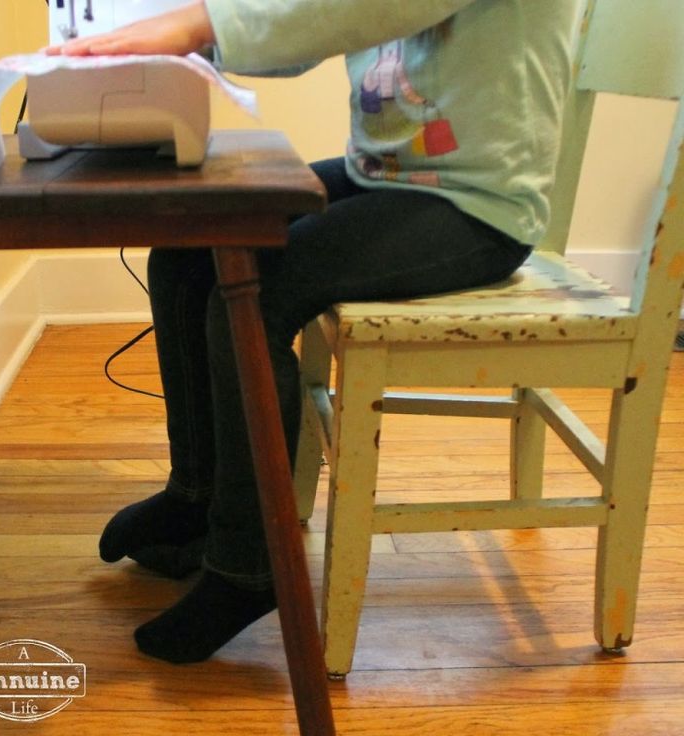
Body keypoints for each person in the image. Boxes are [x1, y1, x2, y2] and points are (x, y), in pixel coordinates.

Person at [47, 0, 584, 664]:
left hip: (478, 207)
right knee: (190, 251)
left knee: (258, 296)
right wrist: (172, 52)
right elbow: (309, 21)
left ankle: (249, 565)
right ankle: (197, 496)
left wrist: (199, 23)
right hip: (388, 179)